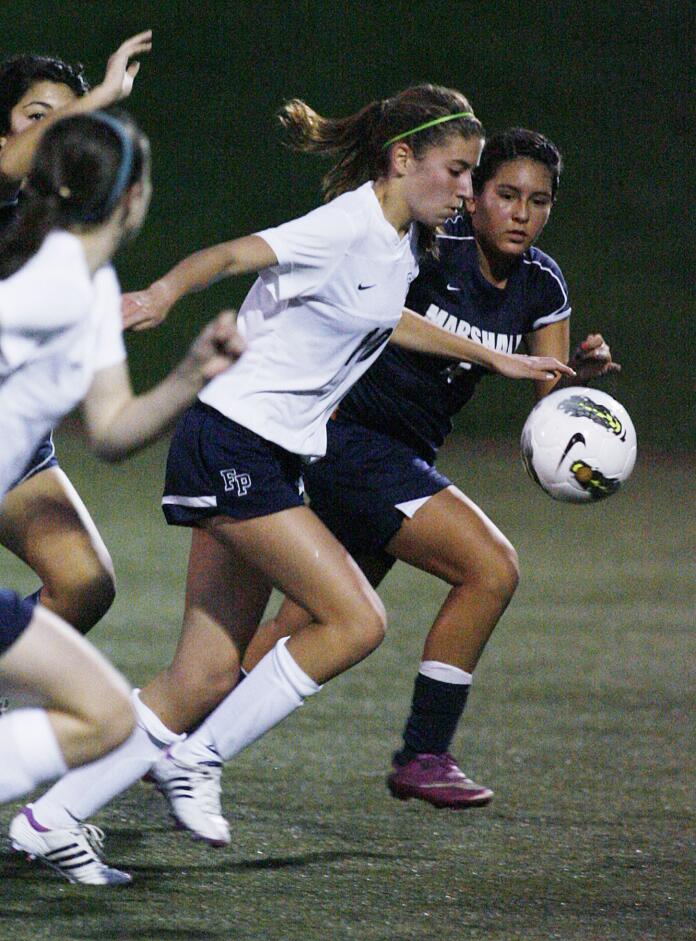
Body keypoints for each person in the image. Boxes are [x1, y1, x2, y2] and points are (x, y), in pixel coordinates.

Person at [12, 88, 573, 884]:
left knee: (202, 676)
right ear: (402, 160)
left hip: (263, 453)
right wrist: (166, 293)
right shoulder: (346, 223)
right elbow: (236, 254)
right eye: (457, 171)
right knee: (355, 619)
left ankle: (50, 819)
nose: (465, 190)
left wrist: (501, 358)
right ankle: (197, 760)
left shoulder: (400, 243)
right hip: (236, 444)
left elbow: (383, 319)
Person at [241, 128, 620, 810]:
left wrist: (577, 384)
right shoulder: (425, 251)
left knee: (304, 626)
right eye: (505, 194)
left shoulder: (542, 285)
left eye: (538, 201)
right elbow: (376, 315)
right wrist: (494, 357)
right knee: (490, 568)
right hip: (344, 437)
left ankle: (171, 730)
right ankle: (425, 753)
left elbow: (549, 417)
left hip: (396, 461)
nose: (521, 213)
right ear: (473, 198)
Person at [1, 111, 244, 883]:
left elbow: (110, 430)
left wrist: (190, 375)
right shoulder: (47, 283)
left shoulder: (89, 283)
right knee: (100, 715)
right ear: (131, 196)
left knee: (106, 717)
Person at [0, 32, 152, 633]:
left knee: (84, 583)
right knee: (99, 713)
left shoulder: (60, 240)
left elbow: (112, 425)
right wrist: (102, 99)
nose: (59, 131)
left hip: (13, 439)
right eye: (41, 117)